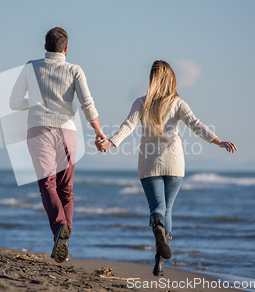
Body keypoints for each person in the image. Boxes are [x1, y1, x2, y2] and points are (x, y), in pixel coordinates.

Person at [98, 60, 237, 275]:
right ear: (172, 79)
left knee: (157, 209)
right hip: (175, 163)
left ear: (152, 79)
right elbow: (195, 124)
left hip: (149, 163)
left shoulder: (141, 102)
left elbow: (128, 126)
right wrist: (217, 141)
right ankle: (160, 261)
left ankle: (158, 229)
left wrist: (110, 142)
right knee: (168, 209)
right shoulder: (177, 103)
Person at [9, 27, 106, 263]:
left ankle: (59, 228)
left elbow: (13, 102)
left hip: (38, 130)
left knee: (47, 185)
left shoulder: (30, 67)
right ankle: (64, 241)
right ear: (66, 49)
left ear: (45, 47)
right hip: (67, 132)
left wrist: (34, 102)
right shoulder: (74, 69)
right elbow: (87, 104)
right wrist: (99, 132)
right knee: (66, 190)